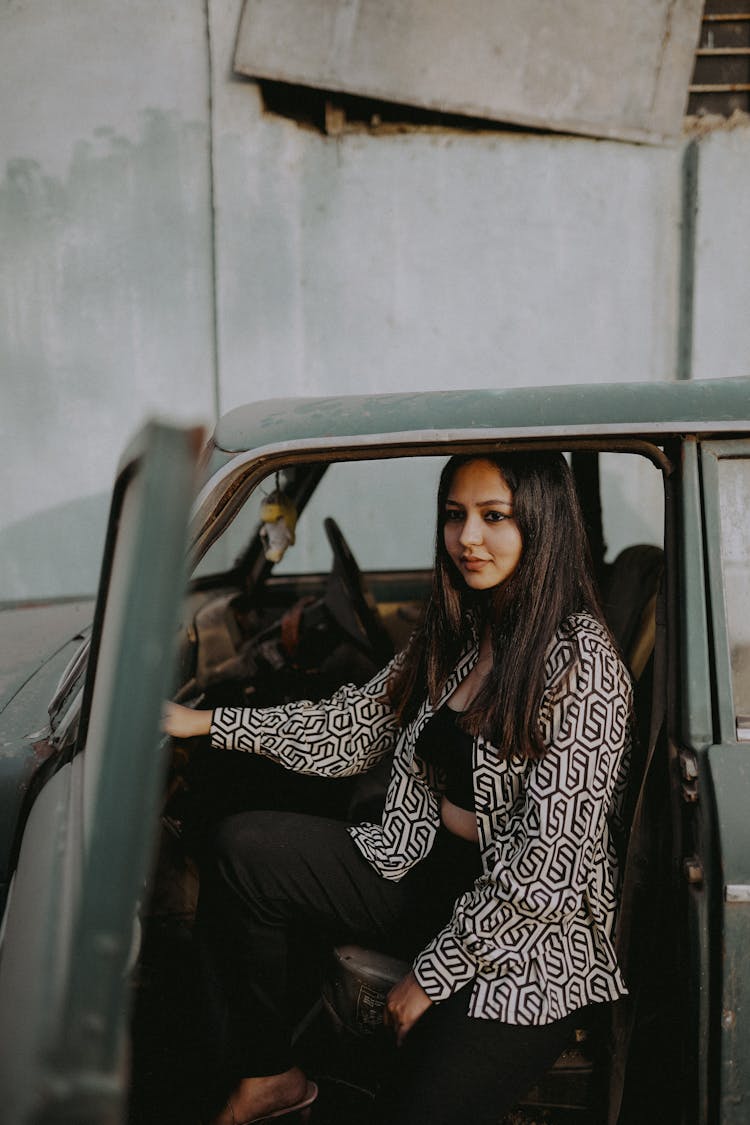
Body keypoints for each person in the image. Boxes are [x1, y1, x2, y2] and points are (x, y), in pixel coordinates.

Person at [164, 453, 633, 1125]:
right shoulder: (466, 627)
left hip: (529, 942)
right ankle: (269, 1072)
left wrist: (431, 974)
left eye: (494, 516)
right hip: (424, 864)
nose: (468, 537)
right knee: (244, 849)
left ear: (543, 522)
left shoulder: (584, 665)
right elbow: (354, 724)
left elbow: (546, 870)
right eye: (455, 515)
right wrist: (208, 723)